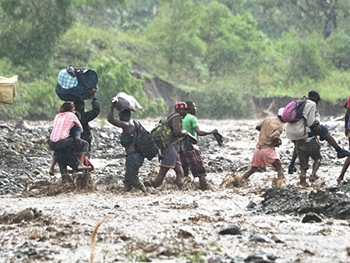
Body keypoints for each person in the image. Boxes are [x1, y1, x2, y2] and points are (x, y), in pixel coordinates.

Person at [288, 91, 350, 175]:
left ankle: (291, 165)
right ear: (314, 98)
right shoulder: (311, 104)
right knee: (323, 130)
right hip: (301, 131)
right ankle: (339, 150)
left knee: (298, 145)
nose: (317, 103)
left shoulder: (300, 103)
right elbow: (311, 123)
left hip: (290, 132)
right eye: (317, 100)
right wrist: (321, 134)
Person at [107, 101, 146, 192]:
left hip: (133, 156)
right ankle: (126, 190)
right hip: (136, 156)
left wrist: (112, 106)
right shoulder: (133, 124)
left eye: (120, 116)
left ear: (124, 116)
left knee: (133, 178)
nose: (119, 118)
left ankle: (145, 190)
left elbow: (110, 119)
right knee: (127, 180)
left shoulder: (127, 125)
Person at [180, 101, 218, 190]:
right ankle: (204, 191)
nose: (195, 108)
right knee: (201, 171)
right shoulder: (192, 118)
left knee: (184, 172)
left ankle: (184, 191)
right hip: (190, 147)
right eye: (194, 106)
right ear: (189, 109)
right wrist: (211, 132)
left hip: (180, 148)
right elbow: (199, 132)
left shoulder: (180, 118)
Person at [242, 108, 285, 185]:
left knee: (253, 169)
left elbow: (257, 127)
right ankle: (280, 185)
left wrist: (264, 133)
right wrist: (277, 142)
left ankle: (240, 181)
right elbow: (275, 137)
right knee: (279, 167)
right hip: (267, 149)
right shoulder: (279, 126)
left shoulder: (268, 119)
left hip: (258, 149)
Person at [152, 102, 189, 190]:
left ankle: (183, 192)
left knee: (180, 172)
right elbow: (177, 132)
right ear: (180, 110)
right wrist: (185, 132)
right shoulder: (177, 117)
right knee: (162, 172)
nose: (186, 112)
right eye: (185, 110)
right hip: (170, 149)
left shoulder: (171, 116)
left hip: (172, 149)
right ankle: (150, 189)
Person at [49, 102, 92, 175]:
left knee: (57, 151)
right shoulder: (72, 117)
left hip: (52, 143)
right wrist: (78, 137)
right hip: (64, 143)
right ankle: (80, 164)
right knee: (85, 144)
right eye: (73, 109)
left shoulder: (58, 116)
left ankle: (51, 168)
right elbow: (79, 128)